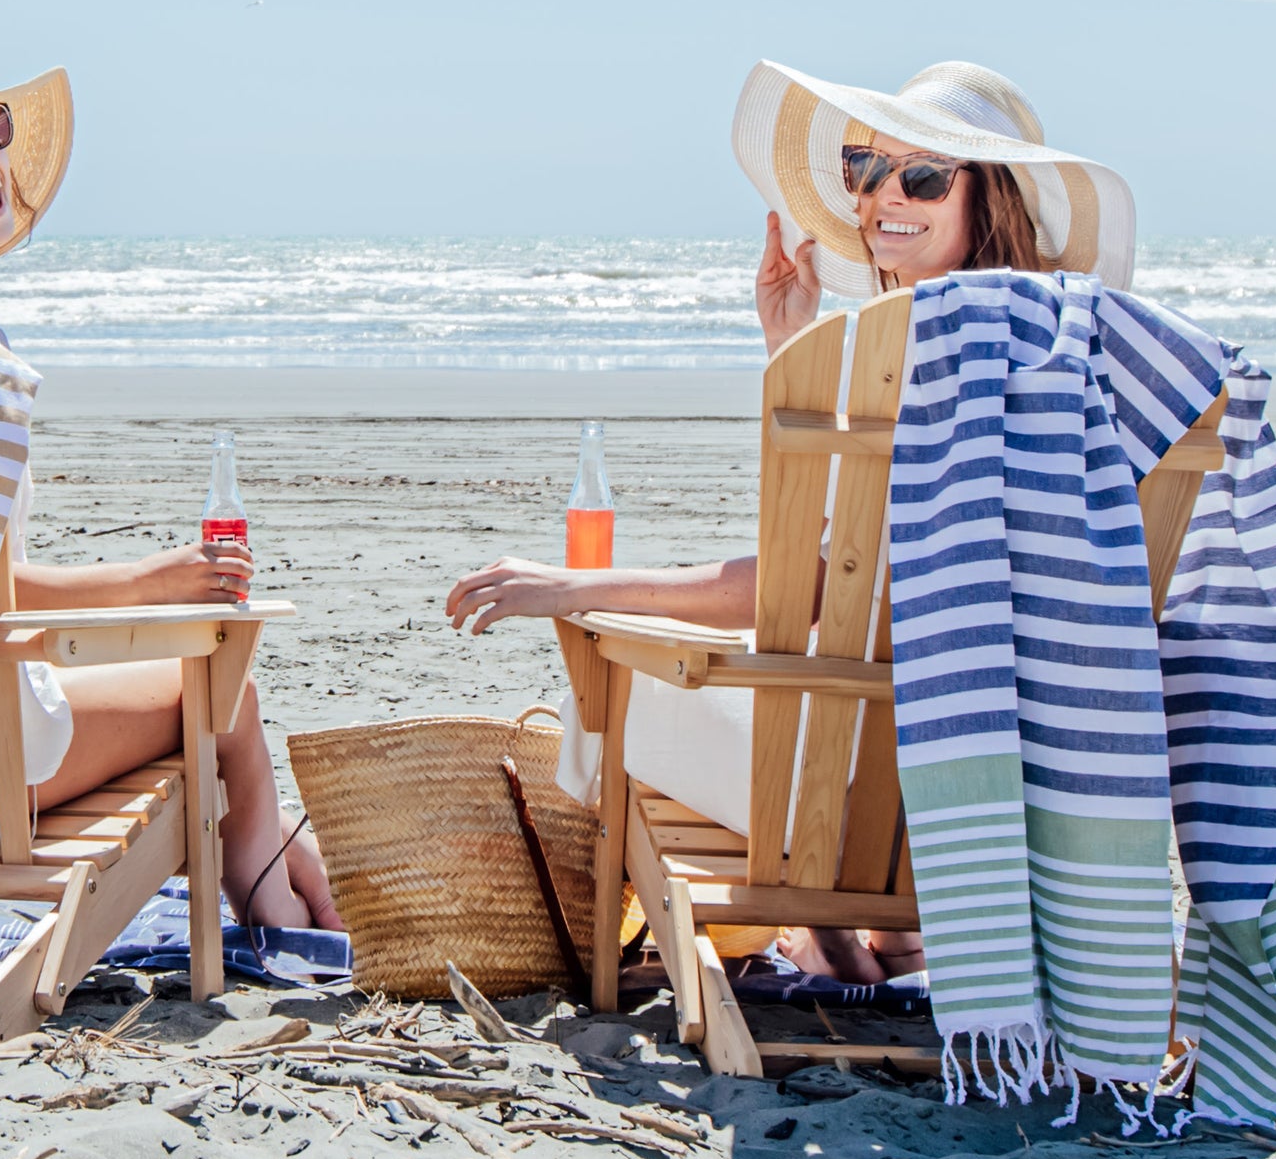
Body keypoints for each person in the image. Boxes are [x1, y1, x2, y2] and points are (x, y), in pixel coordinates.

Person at [436, 59, 1139, 981]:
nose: (885, 194)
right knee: (829, 697)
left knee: (603, 692)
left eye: (922, 174)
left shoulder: (905, 365)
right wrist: (791, 345)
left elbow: (796, 591)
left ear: (990, 197)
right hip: (1005, 815)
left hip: (869, 818)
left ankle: (836, 938)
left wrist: (572, 588)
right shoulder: (1059, 367)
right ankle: (860, 941)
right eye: (865, 168)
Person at [0, 59, 342, 934]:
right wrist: (150, 582)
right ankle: (281, 918)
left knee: (211, 722)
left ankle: (292, 873)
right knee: (225, 688)